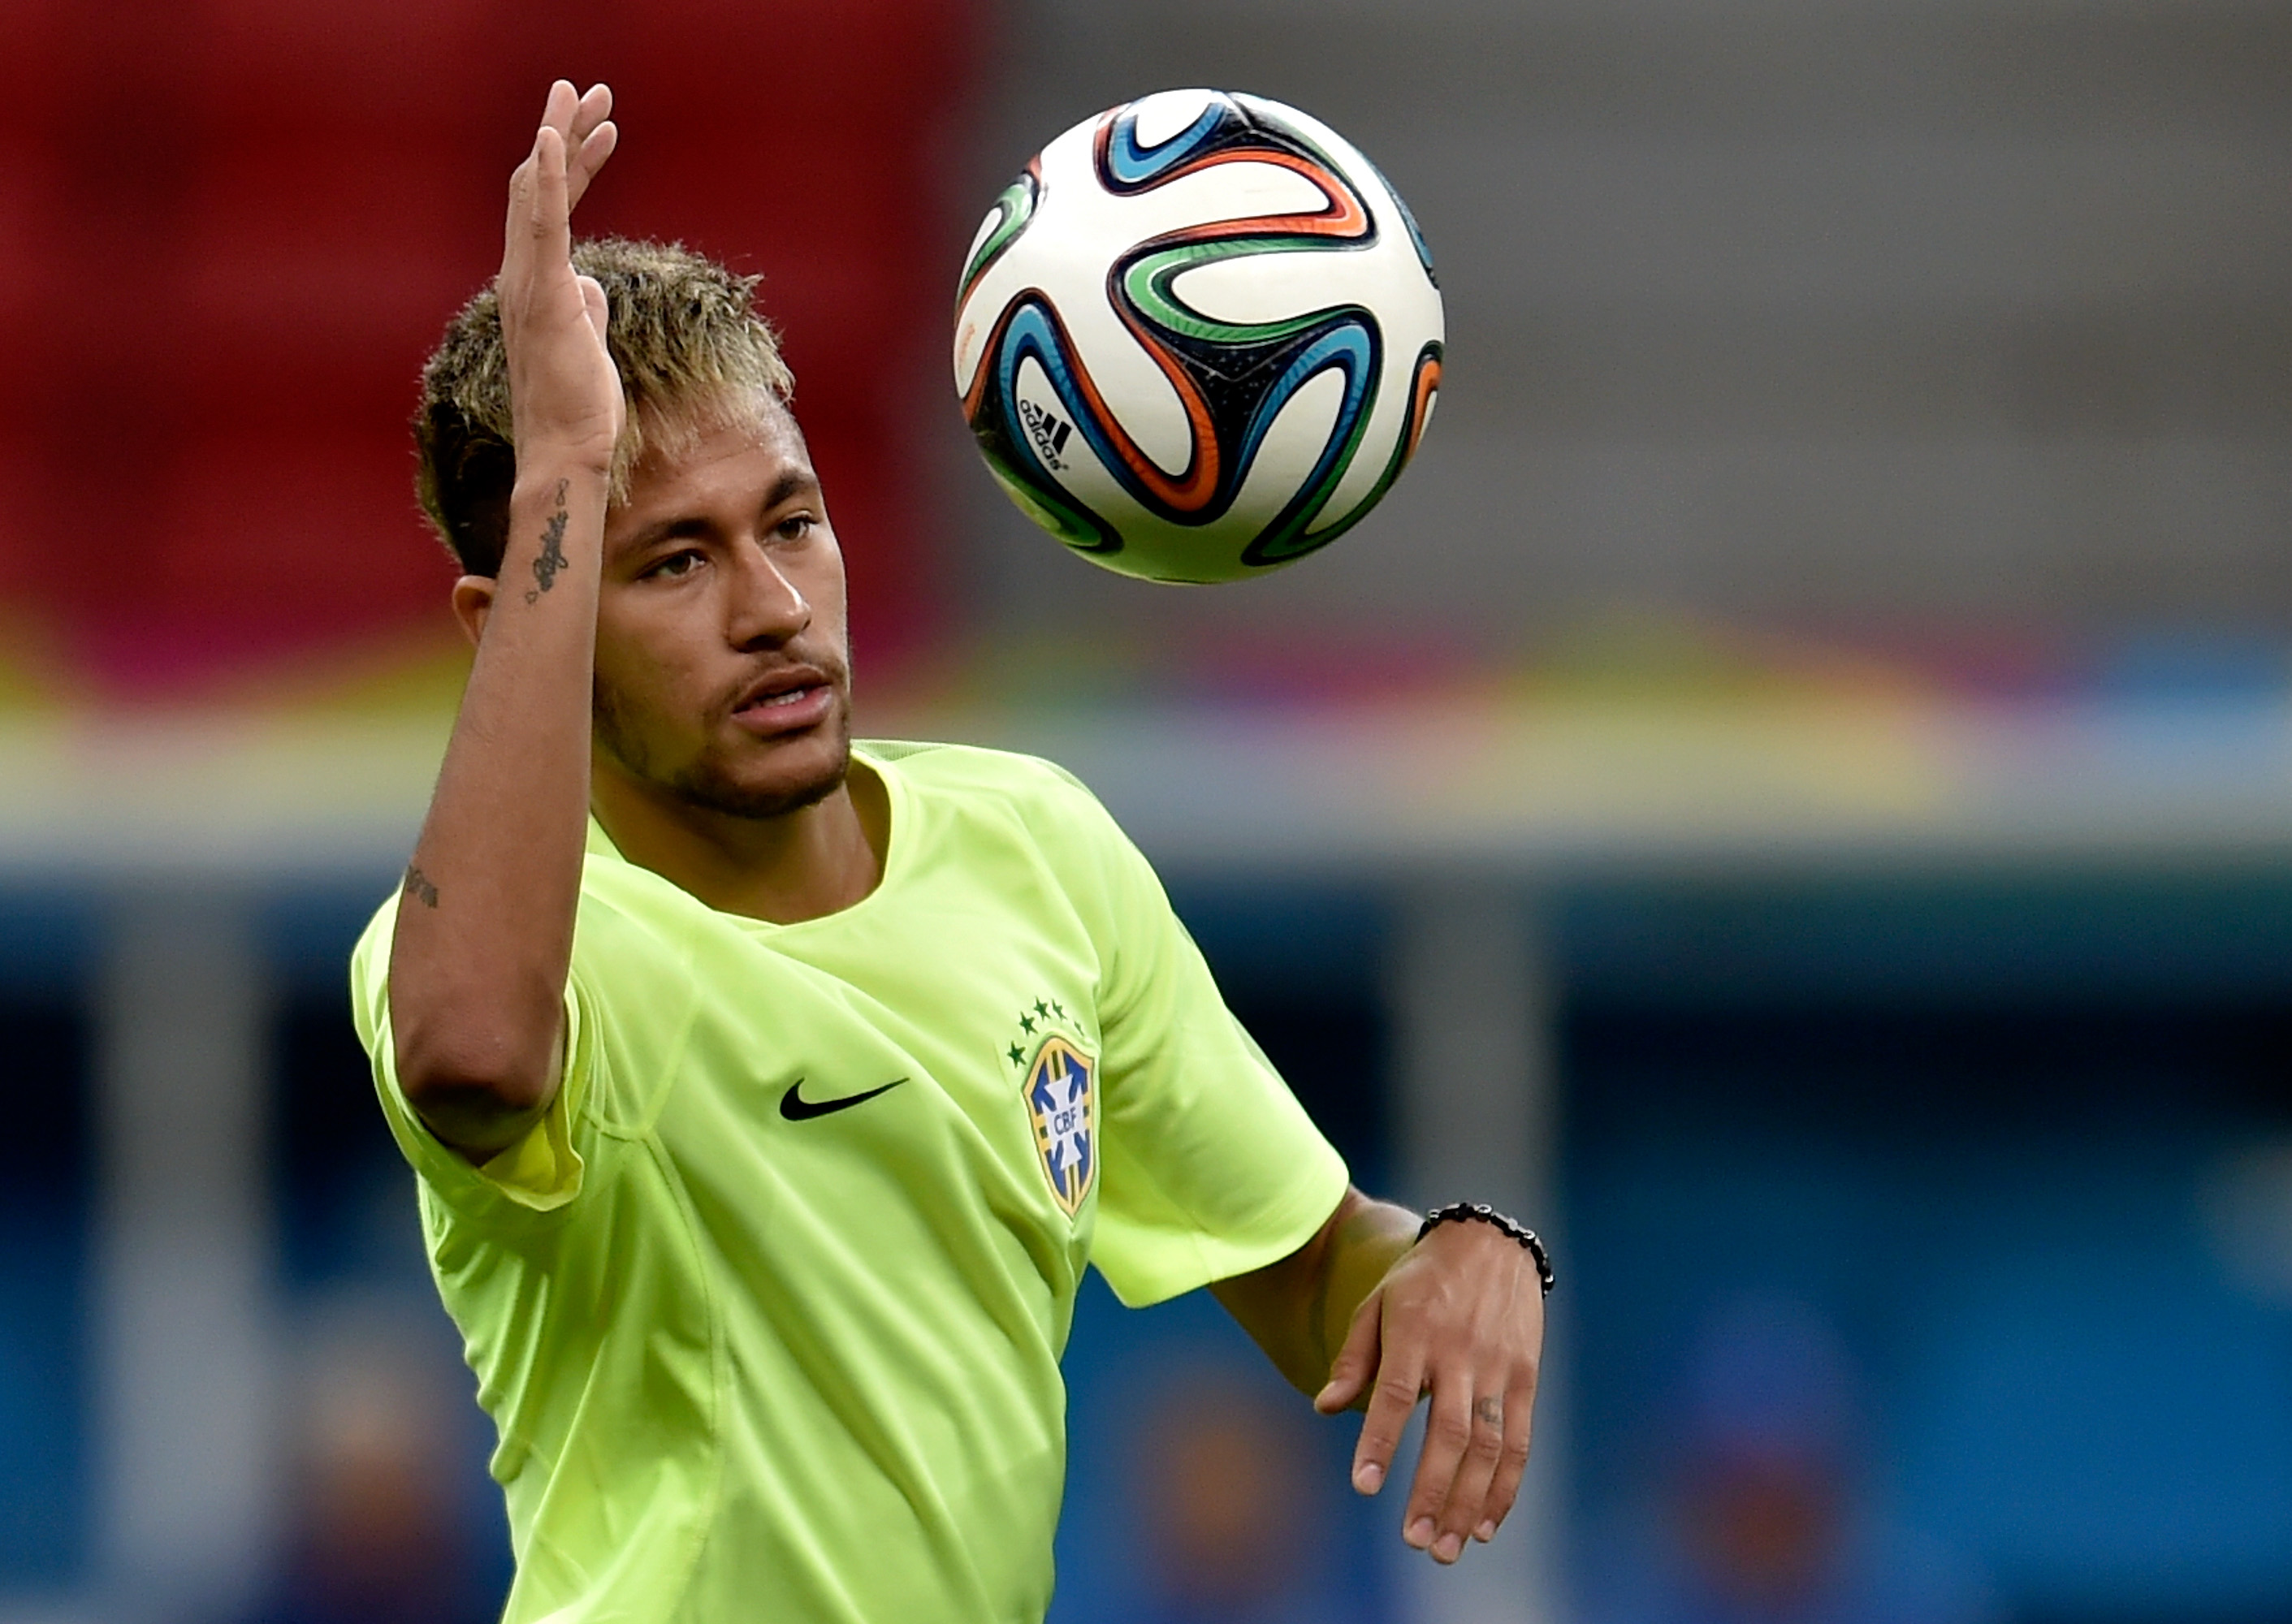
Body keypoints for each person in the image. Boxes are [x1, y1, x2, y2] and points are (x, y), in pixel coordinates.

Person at [349, 80, 1548, 1624]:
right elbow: (474, 1059)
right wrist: (565, 471)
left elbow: (1318, 1278)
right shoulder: (514, 953)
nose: (773, 608)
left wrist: (1458, 1261)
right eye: (673, 561)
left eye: (792, 523)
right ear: (523, 612)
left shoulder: (1035, 849)